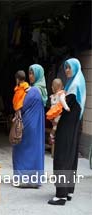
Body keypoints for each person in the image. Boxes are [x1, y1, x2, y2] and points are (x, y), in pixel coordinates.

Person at [48, 58, 86, 206]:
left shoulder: (73, 87)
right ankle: (68, 191)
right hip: (74, 127)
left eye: (69, 68)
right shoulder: (78, 83)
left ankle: (61, 196)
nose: (67, 70)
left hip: (66, 128)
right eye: (65, 68)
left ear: (75, 68)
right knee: (70, 158)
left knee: (62, 158)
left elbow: (62, 108)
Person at [12, 64, 46, 188]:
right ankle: (35, 180)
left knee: (20, 150)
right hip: (37, 126)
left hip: (27, 125)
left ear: (37, 75)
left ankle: (22, 179)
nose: (30, 76)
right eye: (30, 73)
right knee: (35, 150)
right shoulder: (42, 90)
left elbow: (20, 106)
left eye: (32, 73)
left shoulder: (33, 91)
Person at [46, 78, 70, 144]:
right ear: (61, 87)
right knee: (55, 125)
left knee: (54, 124)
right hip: (58, 112)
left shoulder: (53, 96)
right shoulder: (61, 94)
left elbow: (53, 104)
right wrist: (66, 107)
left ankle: (51, 136)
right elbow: (62, 101)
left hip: (53, 112)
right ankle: (51, 136)